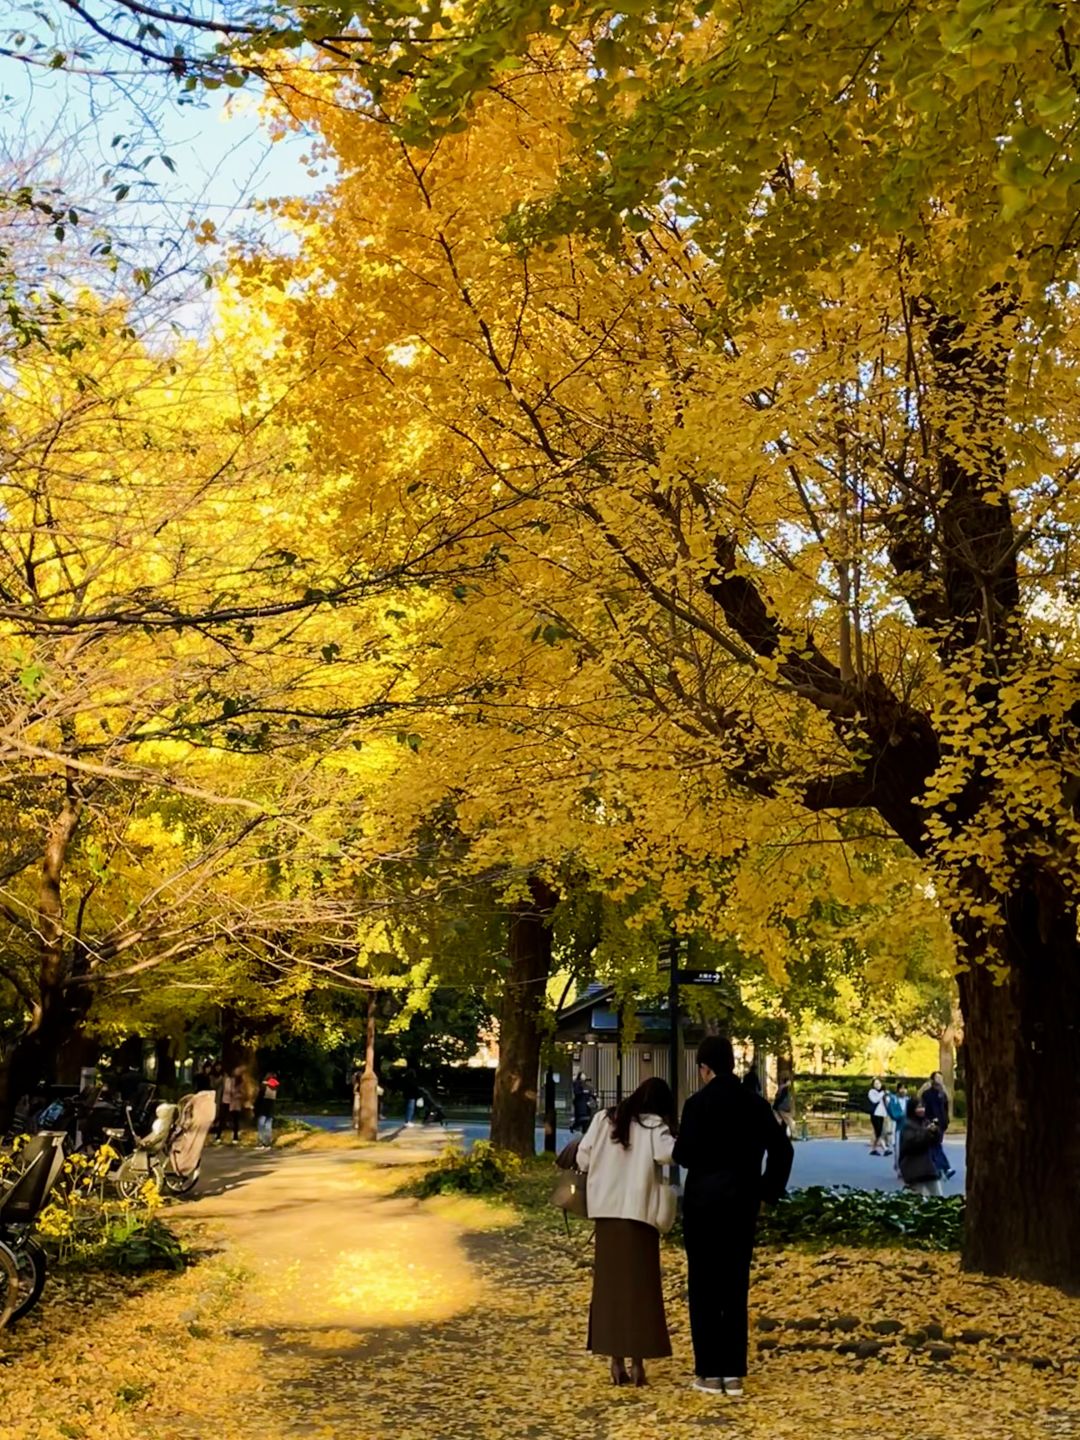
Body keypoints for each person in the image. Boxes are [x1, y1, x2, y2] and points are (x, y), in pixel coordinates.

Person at [673, 1036, 793, 1398]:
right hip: (741, 1204)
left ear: (704, 1068)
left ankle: (708, 1372)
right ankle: (733, 1373)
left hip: (703, 1206)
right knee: (734, 1285)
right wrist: (765, 1191)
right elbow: (782, 1149)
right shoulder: (754, 1105)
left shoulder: (697, 1105)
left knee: (704, 1286)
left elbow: (683, 1154)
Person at [575, 1077, 677, 1388]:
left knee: (609, 1291)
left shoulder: (603, 1119)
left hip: (606, 1215)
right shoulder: (654, 1126)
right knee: (641, 1291)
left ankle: (614, 1361)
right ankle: (638, 1364)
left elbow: (582, 1158)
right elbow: (670, 1155)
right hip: (639, 1217)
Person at [898, 1096, 943, 1196]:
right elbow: (913, 1144)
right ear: (912, 1109)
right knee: (918, 1200)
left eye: (923, 1107)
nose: (921, 1110)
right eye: (918, 1107)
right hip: (914, 1169)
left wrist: (935, 1132)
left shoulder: (925, 1122)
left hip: (928, 1168)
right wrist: (927, 1132)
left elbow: (935, 1142)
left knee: (938, 1196)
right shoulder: (907, 1125)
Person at [921, 1071, 955, 1179]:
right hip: (931, 1122)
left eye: (941, 1077)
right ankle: (944, 1168)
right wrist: (927, 1121)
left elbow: (945, 1109)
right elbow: (923, 1109)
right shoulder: (927, 1094)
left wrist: (946, 1121)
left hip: (941, 1123)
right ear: (932, 1080)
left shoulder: (943, 1094)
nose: (940, 1080)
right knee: (935, 1146)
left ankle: (937, 1168)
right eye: (937, 1078)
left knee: (934, 1146)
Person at [213, 1065, 244, 1144]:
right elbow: (216, 1086)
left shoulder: (239, 1081)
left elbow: (242, 1092)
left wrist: (236, 1094)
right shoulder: (225, 1079)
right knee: (222, 1119)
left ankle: (235, 1137)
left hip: (234, 1102)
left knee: (235, 1120)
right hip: (225, 1101)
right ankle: (218, 1136)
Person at [254, 1071, 279, 1148]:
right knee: (268, 1126)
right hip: (271, 1109)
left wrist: (255, 1107)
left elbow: (259, 1098)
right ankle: (267, 1143)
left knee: (261, 1125)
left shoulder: (263, 1086)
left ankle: (261, 1142)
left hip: (263, 1108)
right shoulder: (275, 1087)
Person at [888, 1083, 909, 1175]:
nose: (903, 1090)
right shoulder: (894, 1100)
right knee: (898, 1149)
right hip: (899, 1128)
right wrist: (901, 1114)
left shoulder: (909, 1100)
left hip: (909, 1127)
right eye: (901, 1089)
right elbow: (893, 1114)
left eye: (905, 1088)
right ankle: (899, 1167)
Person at [867, 1077, 890, 1155]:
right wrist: (882, 1093)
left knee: (878, 1133)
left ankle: (873, 1149)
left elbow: (887, 1102)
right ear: (873, 1085)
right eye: (876, 1084)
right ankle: (885, 1149)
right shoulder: (872, 1092)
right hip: (875, 1114)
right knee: (879, 1132)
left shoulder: (882, 1092)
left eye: (879, 1083)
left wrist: (886, 1095)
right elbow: (875, 1100)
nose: (878, 1085)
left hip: (882, 1114)